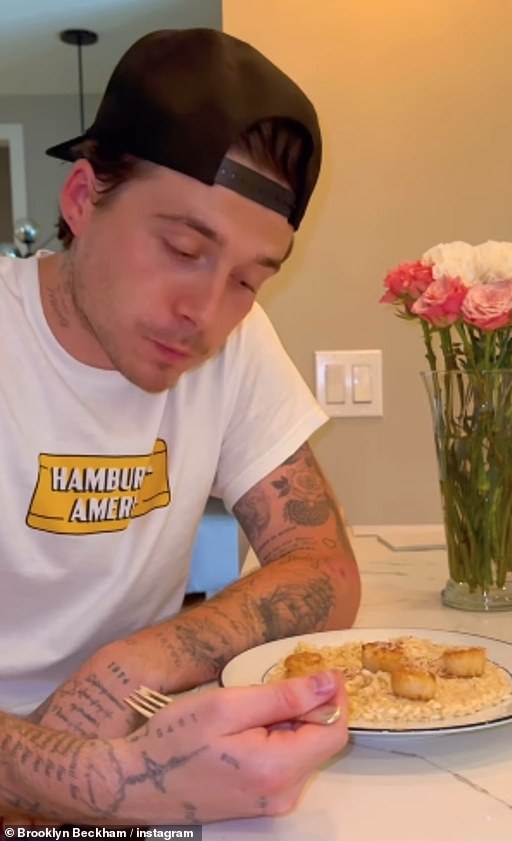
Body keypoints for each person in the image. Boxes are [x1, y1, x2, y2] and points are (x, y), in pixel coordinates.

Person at [0, 27, 360, 825]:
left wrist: (139, 662)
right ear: (82, 198)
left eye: (246, 279)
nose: (206, 314)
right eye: (182, 246)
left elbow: (323, 567)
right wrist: (99, 776)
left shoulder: (232, 345)